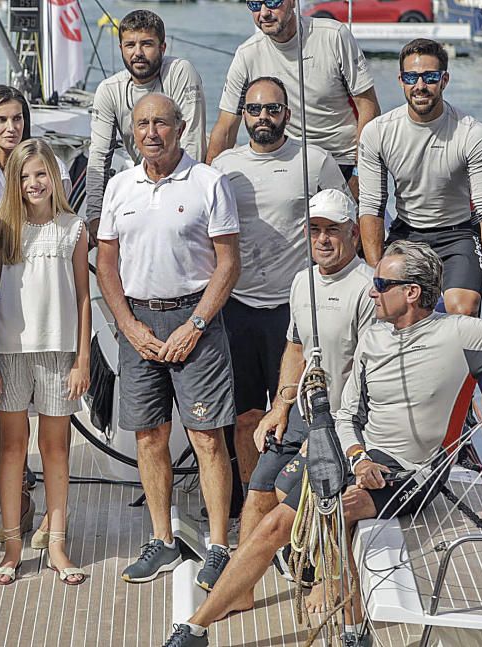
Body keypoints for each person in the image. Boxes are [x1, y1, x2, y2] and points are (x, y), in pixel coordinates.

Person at [164, 241, 482, 647]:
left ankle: (352, 631)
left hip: (413, 475)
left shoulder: (459, 332)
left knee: (334, 510)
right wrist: (357, 456)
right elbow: (347, 415)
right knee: (275, 520)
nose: (371, 291)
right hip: (358, 458)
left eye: (382, 283)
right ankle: (195, 628)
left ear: (412, 292)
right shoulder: (374, 339)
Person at [97, 94, 241, 592]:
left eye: (161, 122)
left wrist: (196, 325)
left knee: (206, 437)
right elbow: (108, 267)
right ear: (131, 131)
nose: (151, 132)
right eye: (142, 123)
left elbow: (227, 264)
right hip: (138, 321)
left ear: (180, 128)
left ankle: (219, 545)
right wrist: (128, 326)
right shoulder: (119, 187)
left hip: (195, 319)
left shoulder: (208, 183)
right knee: (149, 437)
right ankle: (162, 540)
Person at [212, 76, 349, 495]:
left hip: (296, 309)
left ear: (287, 114)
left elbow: (344, 223)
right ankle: (254, 503)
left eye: (272, 109)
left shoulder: (316, 161)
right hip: (238, 307)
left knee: (299, 411)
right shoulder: (223, 167)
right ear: (244, 116)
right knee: (248, 416)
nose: (263, 117)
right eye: (254, 110)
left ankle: (296, 501)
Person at [244, 189, 374, 592]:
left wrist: (326, 431)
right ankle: (242, 586)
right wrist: (280, 407)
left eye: (332, 230)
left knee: (301, 491)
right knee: (258, 488)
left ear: (353, 233)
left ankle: (327, 581)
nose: (322, 239)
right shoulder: (301, 281)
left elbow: (368, 373)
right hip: (302, 409)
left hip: (345, 419)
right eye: (315, 230)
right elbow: (295, 347)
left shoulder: (368, 288)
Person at [0, 140, 91, 586]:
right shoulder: (2, 230)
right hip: (9, 353)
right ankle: (12, 546)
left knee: (56, 449)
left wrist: (82, 358)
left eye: (41, 174)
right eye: (24, 177)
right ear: (14, 182)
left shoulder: (73, 228)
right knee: (11, 448)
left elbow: (84, 297)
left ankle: (58, 544)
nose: (33, 183)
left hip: (59, 352)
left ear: (55, 177)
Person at [358, 38, 482, 317]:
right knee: (393, 308)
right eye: (412, 77)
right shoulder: (377, 132)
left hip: (458, 235)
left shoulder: (473, 134)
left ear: (445, 80)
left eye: (430, 77)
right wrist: (376, 269)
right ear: (401, 80)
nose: (420, 86)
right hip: (408, 234)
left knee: (462, 311)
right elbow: (371, 206)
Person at [207, 0, 379, 196]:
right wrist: (208, 186)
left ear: (293, 3)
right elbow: (226, 128)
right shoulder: (246, 54)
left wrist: (360, 171)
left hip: (342, 160)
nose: (263, 13)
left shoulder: (334, 36)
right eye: (255, 5)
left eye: (272, 2)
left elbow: (368, 106)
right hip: (288, 161)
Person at [86, 9, 207, 236]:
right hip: (141, 181)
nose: (138, 53)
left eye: (147, 44)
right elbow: (99, 156)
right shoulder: (108, 90)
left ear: (162, 47)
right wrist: (94, 216)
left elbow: (191, 142)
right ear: (121, 48)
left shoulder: (180, 72)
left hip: (183, 181)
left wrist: (181, 203)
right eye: (130, 45)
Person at [0, 84, 72, 237]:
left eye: (17, 118)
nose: (11, 128)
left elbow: (60, 227)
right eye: (1, 120)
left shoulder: (53, 166)